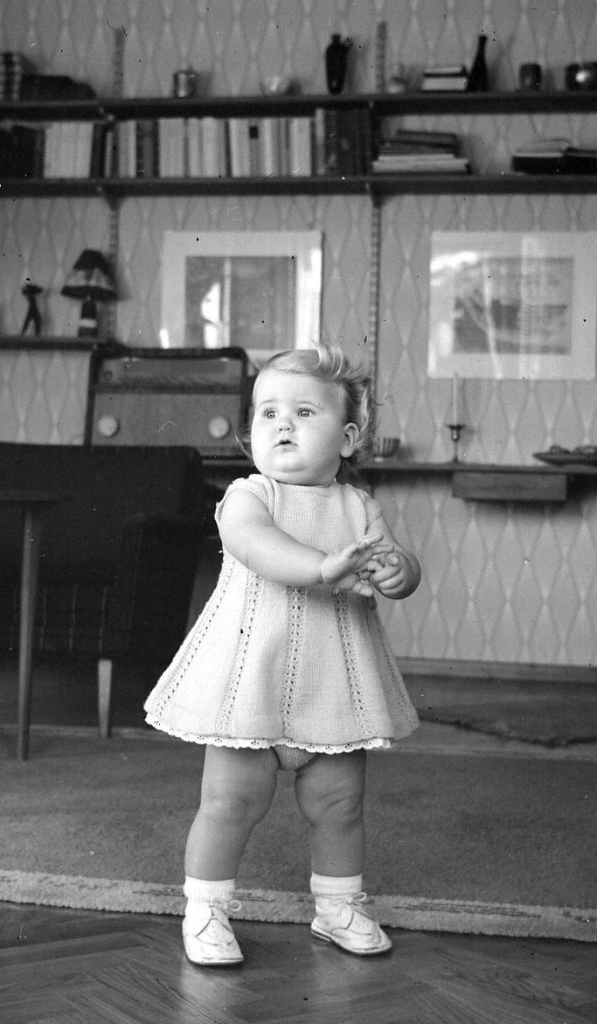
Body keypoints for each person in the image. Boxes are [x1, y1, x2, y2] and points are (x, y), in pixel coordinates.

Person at [144, 343, 422, 968]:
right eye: (266, 413)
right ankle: (207, 910)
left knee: (339, 803)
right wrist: (325, 567)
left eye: (303, 412)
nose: (282, 425)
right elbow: (260, 548)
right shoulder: (249, 496)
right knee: (230, 802)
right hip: (251, 682)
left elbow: (395, 563)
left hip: (334, 683)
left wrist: (399, 571)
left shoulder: (359, 507)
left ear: (348, 438)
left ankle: (338, 904)